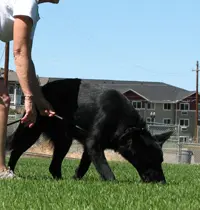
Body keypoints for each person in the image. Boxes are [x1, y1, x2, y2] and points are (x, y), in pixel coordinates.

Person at [0, 0, 60, 179]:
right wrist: (27, 98)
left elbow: (26, 59)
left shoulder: (31, 9)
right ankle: (1, 170)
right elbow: (18, 52)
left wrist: (39, 99)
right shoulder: (27, 2)